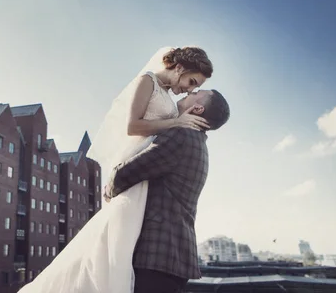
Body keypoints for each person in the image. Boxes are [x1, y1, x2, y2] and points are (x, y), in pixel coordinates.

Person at [18, 47, 213, 293]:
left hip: (147, 174)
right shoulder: (147, 81)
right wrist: (177, 122)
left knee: (121, 246)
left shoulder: (170, 98)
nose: (190, 89)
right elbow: (132, 126)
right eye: (191, 81)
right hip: (135, 168)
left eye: (196, 88)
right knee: (112, 244)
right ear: (180, 68)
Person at [104, 89, 231, 293]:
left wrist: (108, 189)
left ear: (197, 108)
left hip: (156, 258)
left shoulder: (182, 135)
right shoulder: (198, 142)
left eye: (197, 92)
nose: (191, 91)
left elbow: (124, 174)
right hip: (174, 259)